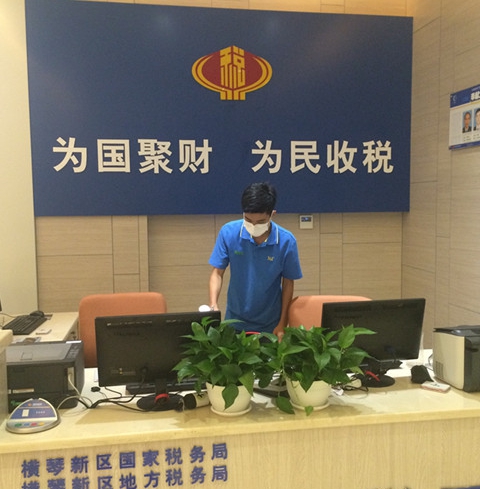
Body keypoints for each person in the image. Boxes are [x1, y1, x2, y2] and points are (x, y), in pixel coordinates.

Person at [208, 182, 302, 338]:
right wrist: (213, 305)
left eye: (260, 222)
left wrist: (282, 323)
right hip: (234, 321)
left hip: (270, 324)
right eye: (248, 219)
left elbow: (288, 283)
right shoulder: (229, 233)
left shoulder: (286, 241)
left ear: (272, 214)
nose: (253, 225)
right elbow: (217, 273)